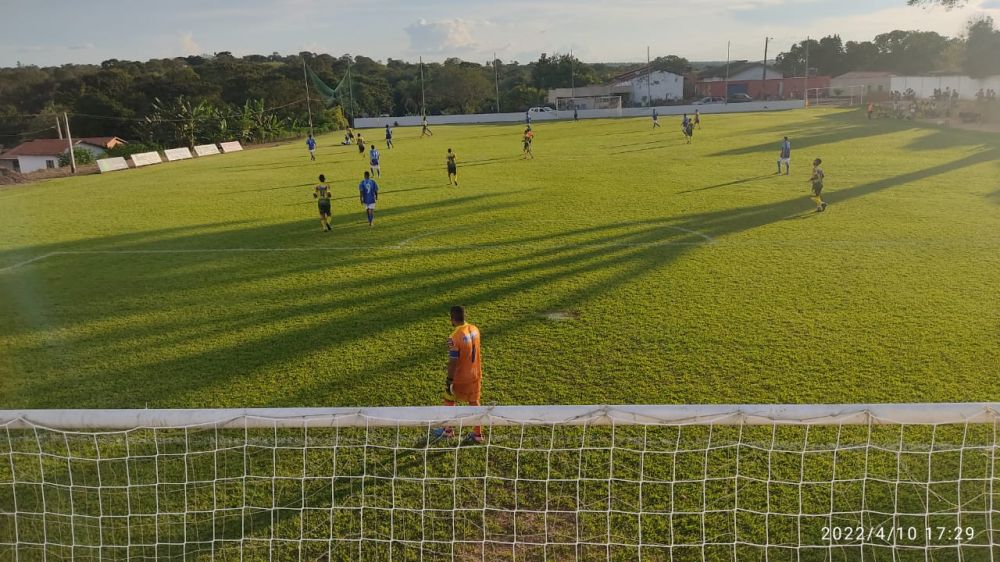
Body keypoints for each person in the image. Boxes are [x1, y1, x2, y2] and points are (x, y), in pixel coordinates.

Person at [430, 305, 483, 445]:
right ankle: (477, 434)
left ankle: (448, 430)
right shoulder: (475, 330)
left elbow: (453, 361)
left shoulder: (454, 337)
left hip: (460, 377)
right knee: (474, 402)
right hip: (475, 374)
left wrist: (449, 379)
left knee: (449, 399)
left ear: (452, 319)